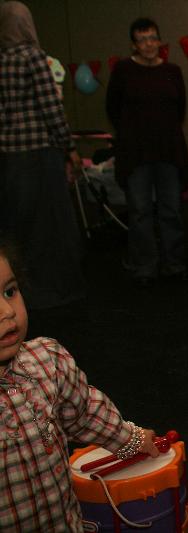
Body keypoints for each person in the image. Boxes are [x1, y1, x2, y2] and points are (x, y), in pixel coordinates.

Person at [0, 233, 160, 530]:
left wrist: (132, 440)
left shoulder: (46, 361)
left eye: (9, 291)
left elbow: (86, 412)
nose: (7, 312)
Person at [0, 1, 86, 310]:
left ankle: (21, 294)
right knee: (52, 226)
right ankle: (58, 292)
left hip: (9, 158)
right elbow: (51, 108)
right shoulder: (33, 57)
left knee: (18, 226)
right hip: (40, 154)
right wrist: (69, 146)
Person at [106, 17, 188, 287]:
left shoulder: (172, 71)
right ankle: (144, 267)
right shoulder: (123, 70)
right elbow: (113, 109)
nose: (149, 44)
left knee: (171, 211)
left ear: (159, 41)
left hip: (168, 151)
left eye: (153, 38)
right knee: (140, 212)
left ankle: (173, 265)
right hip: (136, 153)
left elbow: (180, 110)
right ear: (134, 44)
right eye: (142, 39)